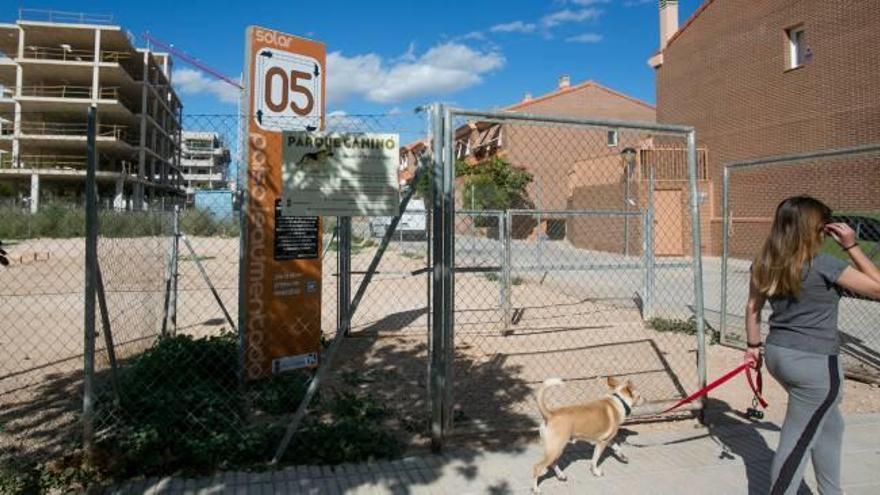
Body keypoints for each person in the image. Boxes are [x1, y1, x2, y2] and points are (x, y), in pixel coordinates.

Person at [744, 196, 880, 495]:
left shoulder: (765, 261)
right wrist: (851, 246)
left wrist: (752, 346)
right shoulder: (825, 263)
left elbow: (753, 308)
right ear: (814, 228)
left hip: (780, 356)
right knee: (795, 445)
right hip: (815, 364)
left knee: (831, 425)